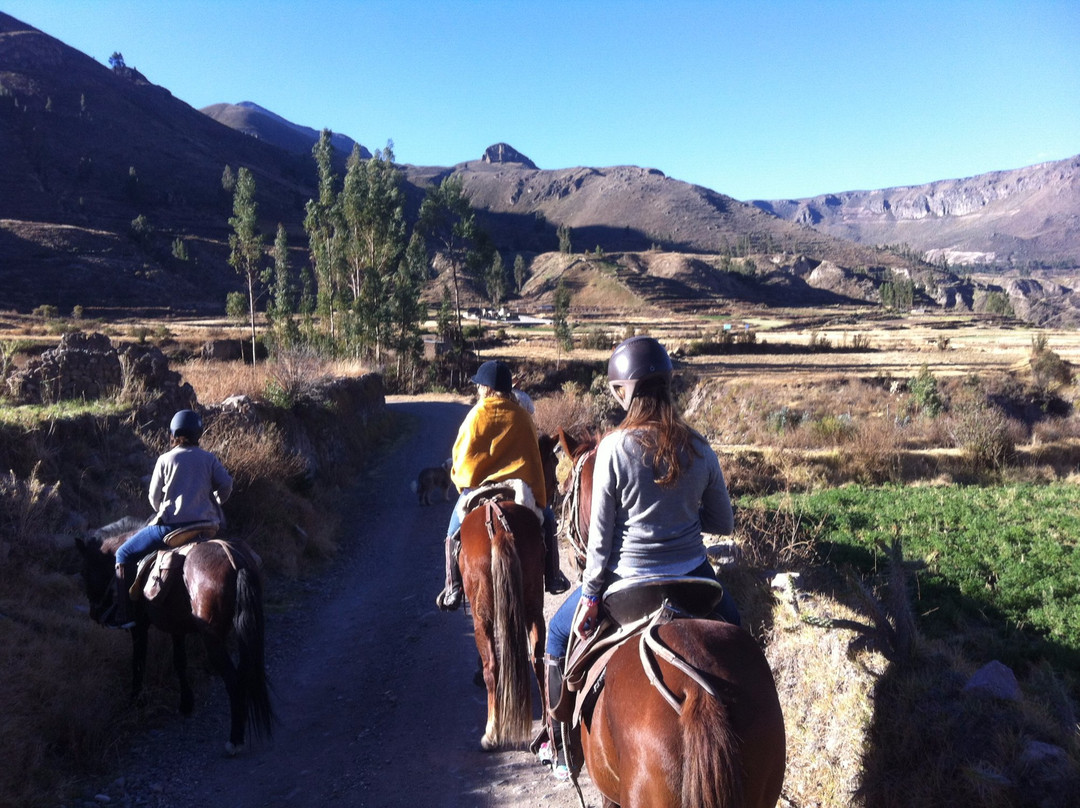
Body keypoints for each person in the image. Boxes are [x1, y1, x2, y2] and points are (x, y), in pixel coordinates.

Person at [537, 335, 740, 777]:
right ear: (667, 384)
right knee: (741, 640)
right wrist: (681, 514)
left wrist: (591, 596)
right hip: (695, 585)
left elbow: (601, 542)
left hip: (626, 592)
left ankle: (561, 745)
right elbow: (724, 523)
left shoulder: (613, 448)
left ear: (623, 391)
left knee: (556, 635)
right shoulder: (700, 447)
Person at [436, 360, 550, 611]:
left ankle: (452, 586)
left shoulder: (476, 415)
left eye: (479, 385)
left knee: (451, 533)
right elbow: (533, 457)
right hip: (519, 486)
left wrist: (462, 480)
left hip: (480, 487)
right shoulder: (522, 416)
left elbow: (462, 457)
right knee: (548, 520)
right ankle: (553, 576)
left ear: (485, 388)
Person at [104, 409, 233, 629]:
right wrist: (218, 500)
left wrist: (161, 509)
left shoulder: (165, 459)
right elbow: (226, 483)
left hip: (172, 529)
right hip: (206, 527)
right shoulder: (209, 458)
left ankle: (125, 616)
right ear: (198, 433)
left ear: (173, 433)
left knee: (123, 553)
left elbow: (153, 498)